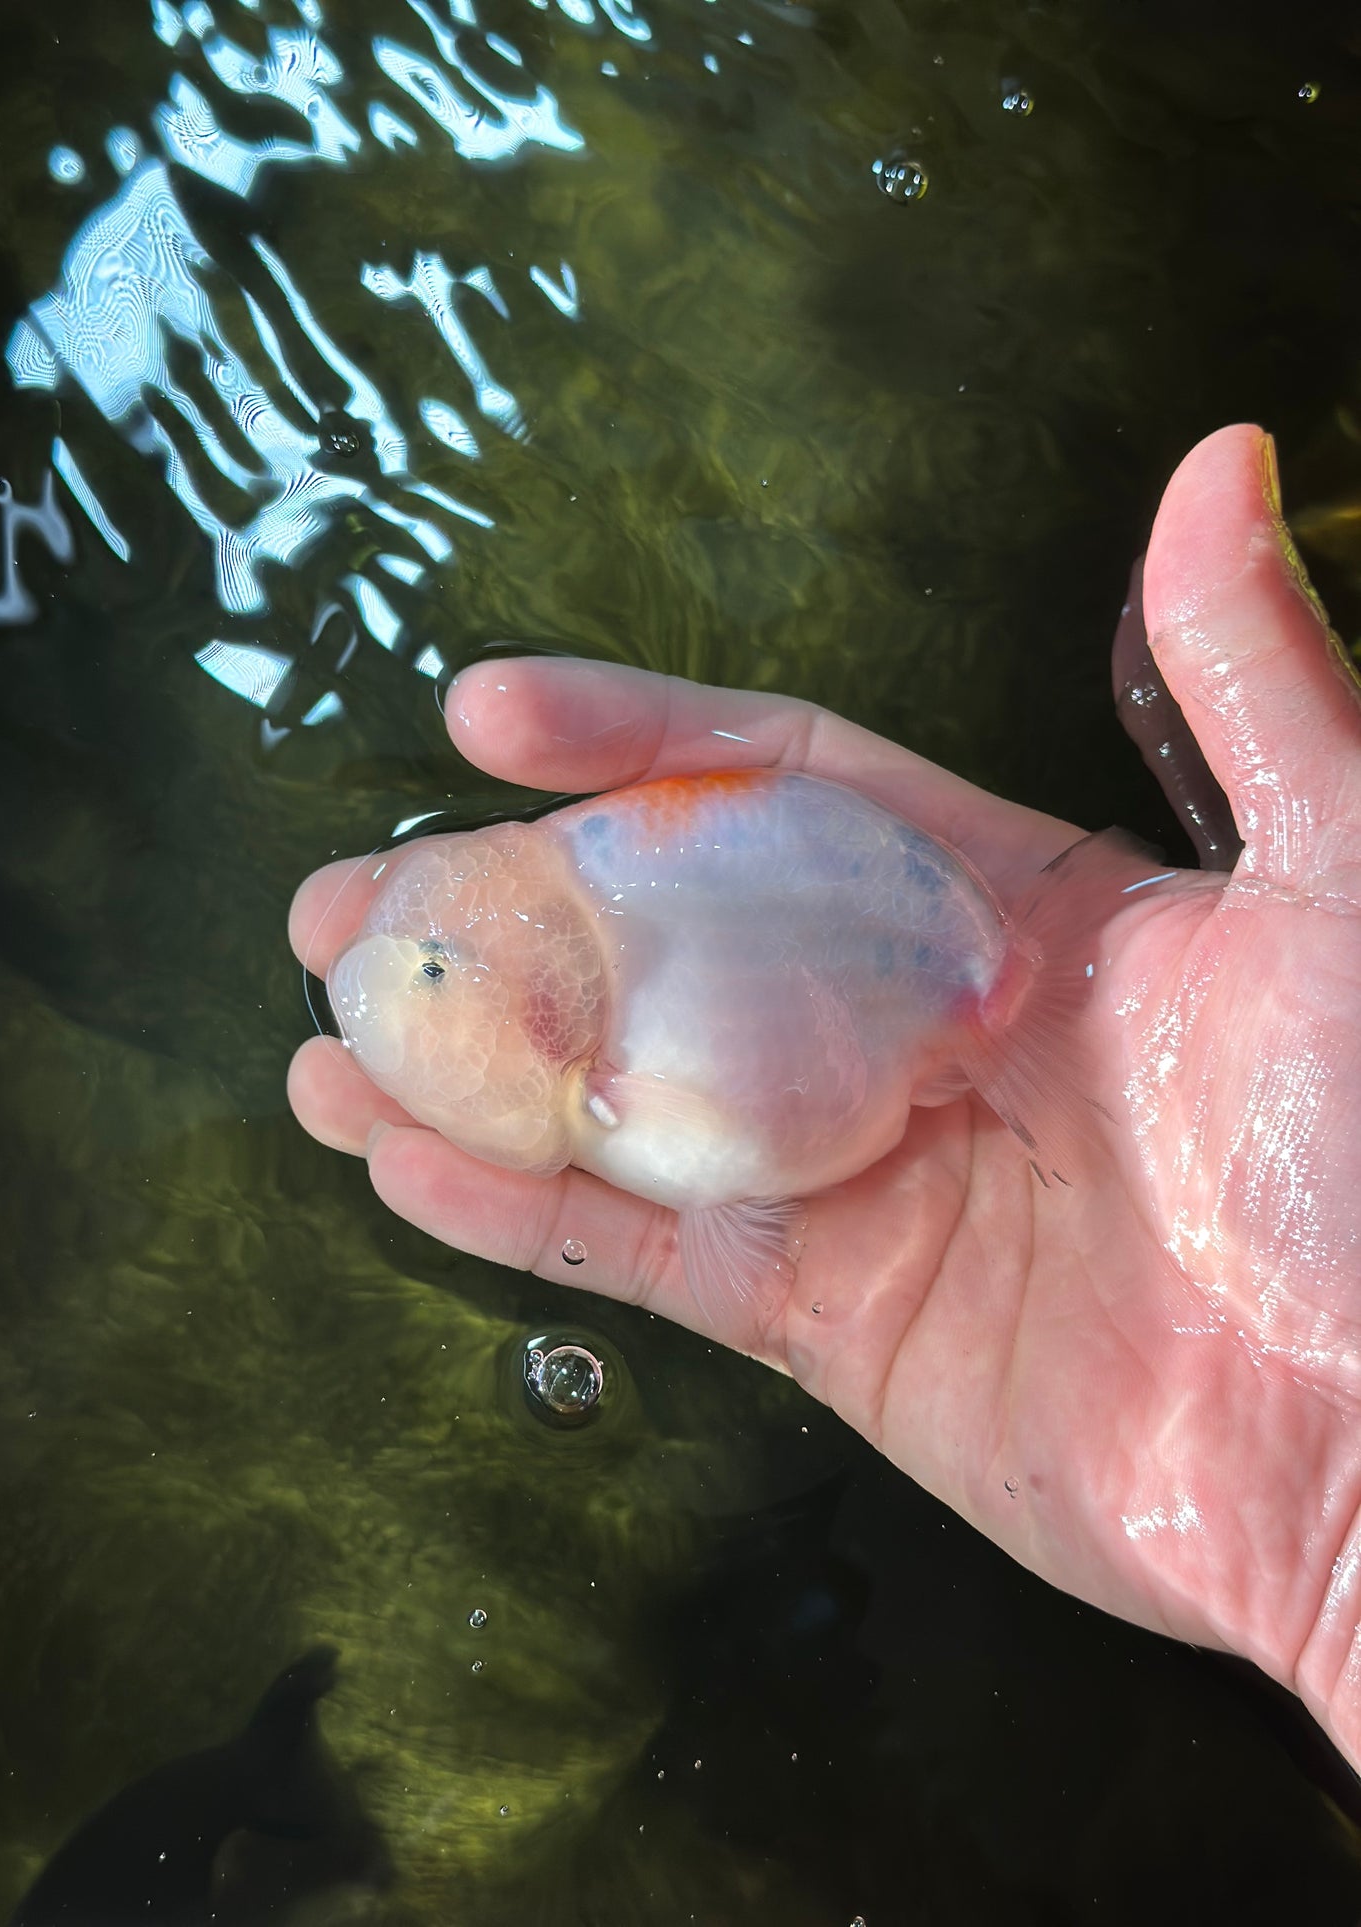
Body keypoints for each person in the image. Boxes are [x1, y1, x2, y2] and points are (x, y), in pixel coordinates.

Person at [287, 424, 1361, 1773]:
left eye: (439, 968)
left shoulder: (607, 1029)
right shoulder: (590, 988)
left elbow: (736, 1174)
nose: (423, 979)